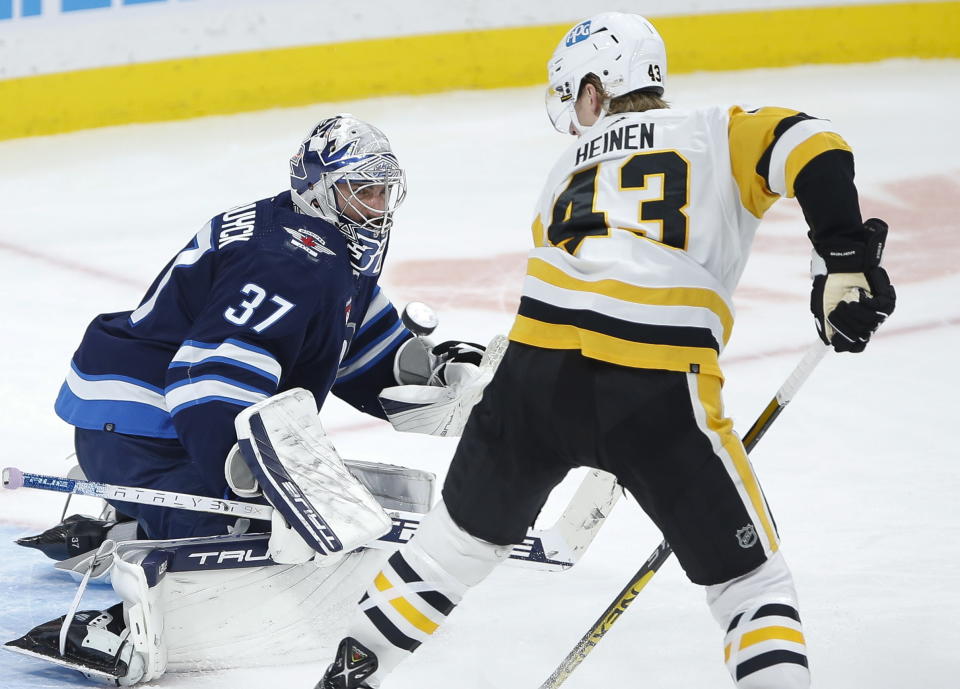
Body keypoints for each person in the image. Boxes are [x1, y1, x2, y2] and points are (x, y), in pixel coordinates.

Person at [317, 13, 896, 689]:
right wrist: (844, 257)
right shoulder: (715, 130)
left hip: (531, 381)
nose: (572, 115)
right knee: (751, 586)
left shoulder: (563, 172)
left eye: (573, 97)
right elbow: (812, 141)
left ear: (597, 90)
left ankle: (350, 673)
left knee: (445, 557)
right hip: (654, 388)